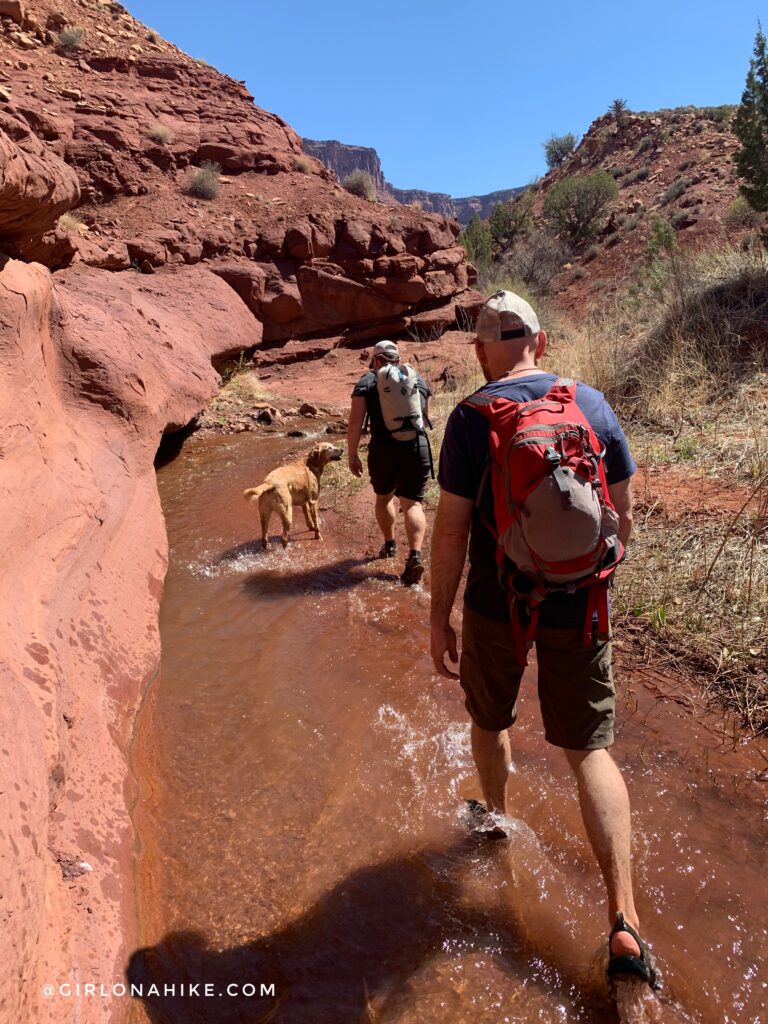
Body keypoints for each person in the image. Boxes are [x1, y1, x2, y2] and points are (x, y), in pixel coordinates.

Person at [429, 291, 656, 987]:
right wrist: (591, 580)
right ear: (541, 341)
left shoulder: (472, 416)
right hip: (582, 602)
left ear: (480, 350)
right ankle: (625, 920)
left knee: (489, 717)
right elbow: (621, 513)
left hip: (500, 601)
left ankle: (496, 819)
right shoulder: (590, 403)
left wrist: (438, 615)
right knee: (589, 751)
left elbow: (453, 529)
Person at [347, 340, 432, 585]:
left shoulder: (367, 381)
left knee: (384, 498)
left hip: (383, 449)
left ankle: (390, 544)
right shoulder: (416, 378)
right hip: (417, 447)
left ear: (375, 360)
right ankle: (415, 556)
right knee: (413, 504)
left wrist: (352, 455)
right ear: (398, 359)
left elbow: (355, 422)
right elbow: (425, 418)